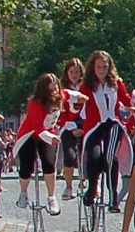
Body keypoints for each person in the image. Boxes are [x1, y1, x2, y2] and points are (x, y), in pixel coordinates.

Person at [79, 49, 133, 209]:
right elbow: (78, 105)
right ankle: (92, 188)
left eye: (105, 67)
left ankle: (113, 196)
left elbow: (127, 100)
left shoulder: (116, 83)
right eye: (99, 67)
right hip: (94, 126)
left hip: (113, 123)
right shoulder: (87, 86)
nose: (102, 70)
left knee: (110, 156)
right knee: (94, 156)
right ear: (93, 68)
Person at [13, 73, 65, 215]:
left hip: (49, 133)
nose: (55, 89)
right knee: (27, 165)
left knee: (49, 163)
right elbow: (38, 127)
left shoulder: (60, 97)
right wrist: (50, 138)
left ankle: (51, 197)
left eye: (56, 85)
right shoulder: (35, 103)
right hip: (31, 134)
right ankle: (23, 193)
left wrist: (80, 98)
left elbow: (71, 94)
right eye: (51, 86)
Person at [58, 58, 88, 197]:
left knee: (88, 153)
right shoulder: (62, 90)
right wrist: (72, 128)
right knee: (69, 156)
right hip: (68, 125)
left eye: (77, 72)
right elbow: (62, 113)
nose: (74, 75)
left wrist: (83, 127)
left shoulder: (86, 87)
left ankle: (87, 179)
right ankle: (69, 186)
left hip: (85, 124)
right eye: (71, 72)